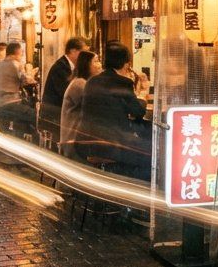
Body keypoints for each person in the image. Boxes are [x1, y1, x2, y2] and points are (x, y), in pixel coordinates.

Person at [81, 42, 151, 178]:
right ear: (126, 64)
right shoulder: (123, 83)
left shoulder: (92, 81)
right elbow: (138, 112)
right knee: (151, 154)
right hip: (114, 144)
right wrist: (142, 96)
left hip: (89, 143)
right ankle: (136, 191)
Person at [39, 37, 87, 144]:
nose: (84, 57)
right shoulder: (60, 67)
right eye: (83, 53)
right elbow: (65, 92)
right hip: (54, 114)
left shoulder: (70, 66)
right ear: (73, 51)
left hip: (59, 112)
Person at [59, 49, 100, 157]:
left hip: (76, 140)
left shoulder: (83, 82)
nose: (99, 65)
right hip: (73, 142)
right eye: (95, 61)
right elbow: (97, 105)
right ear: (87, 65)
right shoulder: (79, 84)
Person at [0, 42, 37, 132]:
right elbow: (27, 80)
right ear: (17, 53)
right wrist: (32, 73)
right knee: (35, 115)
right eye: (21, 53)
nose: (22, 56)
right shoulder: (16, 64)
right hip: (9, 103)